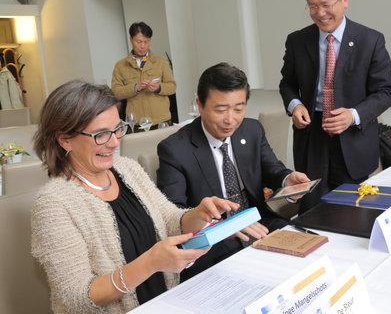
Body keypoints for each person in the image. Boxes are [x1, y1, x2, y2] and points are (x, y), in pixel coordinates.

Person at [31, 80, 239, 314]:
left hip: (168, 302)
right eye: (100, 135)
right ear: (64, 139)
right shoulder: (53, 205)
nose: (114, 142)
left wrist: (198, 214)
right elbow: (76, 298)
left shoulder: (126, 169)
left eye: (117, 129)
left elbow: (170, 219)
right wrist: (151, 263)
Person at [157, 62, 309, 280]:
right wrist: (224, 227)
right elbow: (173, 217)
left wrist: (287, 179)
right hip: (215, 240)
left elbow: (272, 169)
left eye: (239, 109)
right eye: (220, 109)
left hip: (260, 222)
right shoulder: (175, 150)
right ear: (200, 105)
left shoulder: (251, 129)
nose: (231, 119)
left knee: (307, 259)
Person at [279, 0, 391, 213]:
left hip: (352, 137)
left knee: (354, 212)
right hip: (312, 135)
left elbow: (385, 92)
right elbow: (287, 83)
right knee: (312, 210)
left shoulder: (370, 40)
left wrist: (352, 115)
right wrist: (295, 105)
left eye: (326, 4)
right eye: (312, 6)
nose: (320, 13)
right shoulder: (297, 41)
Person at [112, 22, 176, 130]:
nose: (143, 46)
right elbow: (116, 92)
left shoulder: (160, 62)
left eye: (146, 42)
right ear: (131, 39)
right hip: (137, 124)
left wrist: (159, 87)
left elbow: (172, 87)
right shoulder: (120, 66)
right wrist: (136, 88)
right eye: (139, 41)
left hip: (161, 121)